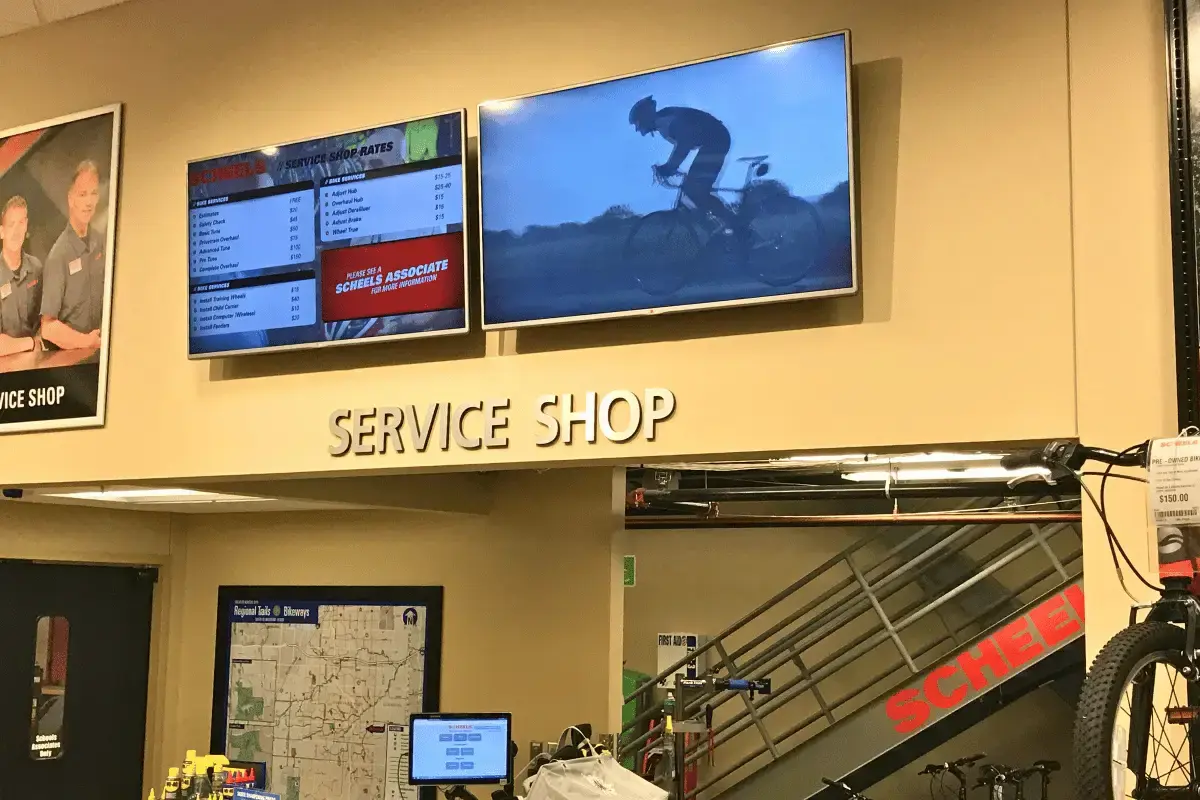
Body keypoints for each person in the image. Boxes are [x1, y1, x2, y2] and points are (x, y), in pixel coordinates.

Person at [628, 96, 736, 231]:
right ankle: (720, 229)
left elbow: (685, 144)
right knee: (694, 190)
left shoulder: (665, 121)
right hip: (714, 139)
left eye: (637, 124)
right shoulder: (664, 120)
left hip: (716, 140)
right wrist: (670, 166)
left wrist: (670, 167)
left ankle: (735, 227)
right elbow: (684, 144)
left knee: (696, 190)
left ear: (644, 117)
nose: (638, 129)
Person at [41, 160, 105, 351]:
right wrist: (85, 341)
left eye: (93, 193)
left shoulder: (102, 242)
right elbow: (48, 328)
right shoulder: (58, 256)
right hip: (71, 361)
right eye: (82, 194)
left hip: (101, 354)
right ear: (71, 199)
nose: (88, 202)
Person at [0, 196, 42, 356]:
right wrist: (30, 343)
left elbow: (44, 323)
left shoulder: (36, 268)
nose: (16, 231)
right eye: (11, 224)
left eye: (21, 223)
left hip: (35, 363)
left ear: (26, 226)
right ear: (1, 232)